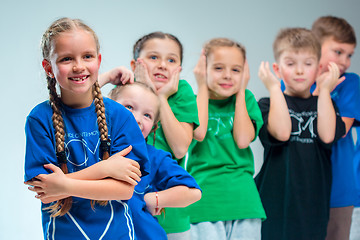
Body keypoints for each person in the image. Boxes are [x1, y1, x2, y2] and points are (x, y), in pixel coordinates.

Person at [24, 17, 150, 240]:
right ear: (48, 68)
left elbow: (125, 189)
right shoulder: (39, 119)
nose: (79, 66)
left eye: (87, 56)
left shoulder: (120, 116)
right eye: (66, 58)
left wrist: (64, 185)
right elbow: (46, 193)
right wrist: (105, 170)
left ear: (98, 61)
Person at [100, 31, 199, 240]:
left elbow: (181, 148)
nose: (162, 64)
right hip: (113, 219)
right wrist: (108, 77)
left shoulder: (181, 92)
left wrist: (160, 96)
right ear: (135, 64)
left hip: (167, 211)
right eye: (154, 57)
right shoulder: (124, 89)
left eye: (171, 60)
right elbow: (80, 102)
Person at [256, 27, 346, 240]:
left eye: (308, 64)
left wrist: (324, 90)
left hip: (314, 204)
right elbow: (281, 133)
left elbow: (327, 136)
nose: (299, 71)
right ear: (277, 69)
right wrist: (273, 88)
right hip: (275, 202)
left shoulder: (326, 103)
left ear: (318, 69)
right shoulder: (268, 103)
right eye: (290, 64)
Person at [186, 38, 266, 240]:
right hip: (204, 202)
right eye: (219, 68)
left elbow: (242, 140)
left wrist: (241, 90)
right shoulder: (193, 102)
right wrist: (202, 85)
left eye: (236, 70)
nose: (228, 76)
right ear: (204, 69)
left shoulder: (246, 100)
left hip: (244, 202)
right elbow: (199, 132)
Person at [108, 82, 202, 240]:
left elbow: (193, 192)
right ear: (109, 106)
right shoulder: (92, 147)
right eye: (129, 107)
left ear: (153, 127)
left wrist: (151, 200)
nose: (137, 118)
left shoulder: (155, 157)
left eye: (147, 115)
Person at [311, 16, 360, 240]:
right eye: (338, 52)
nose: (345, 61)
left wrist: (324, 91)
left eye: (349, 55)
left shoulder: (350, 83)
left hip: (339, 189)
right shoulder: (292, 80)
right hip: (303, 186)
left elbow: (339, 131)